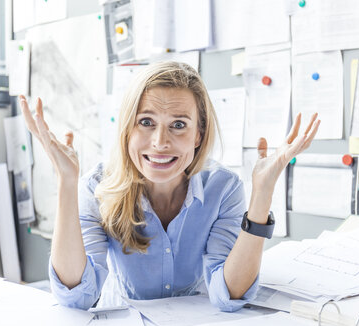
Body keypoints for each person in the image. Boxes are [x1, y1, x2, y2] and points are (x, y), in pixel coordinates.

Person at [19, 61, 320, 312]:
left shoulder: (223, 188)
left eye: (178, 125)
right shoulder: (96, 187)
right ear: (127, 130)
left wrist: (263, 194)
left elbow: (229, 295)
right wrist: (66, 183)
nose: (160, 142)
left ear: (198, 135)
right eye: (146, 122)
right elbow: (76, 295)